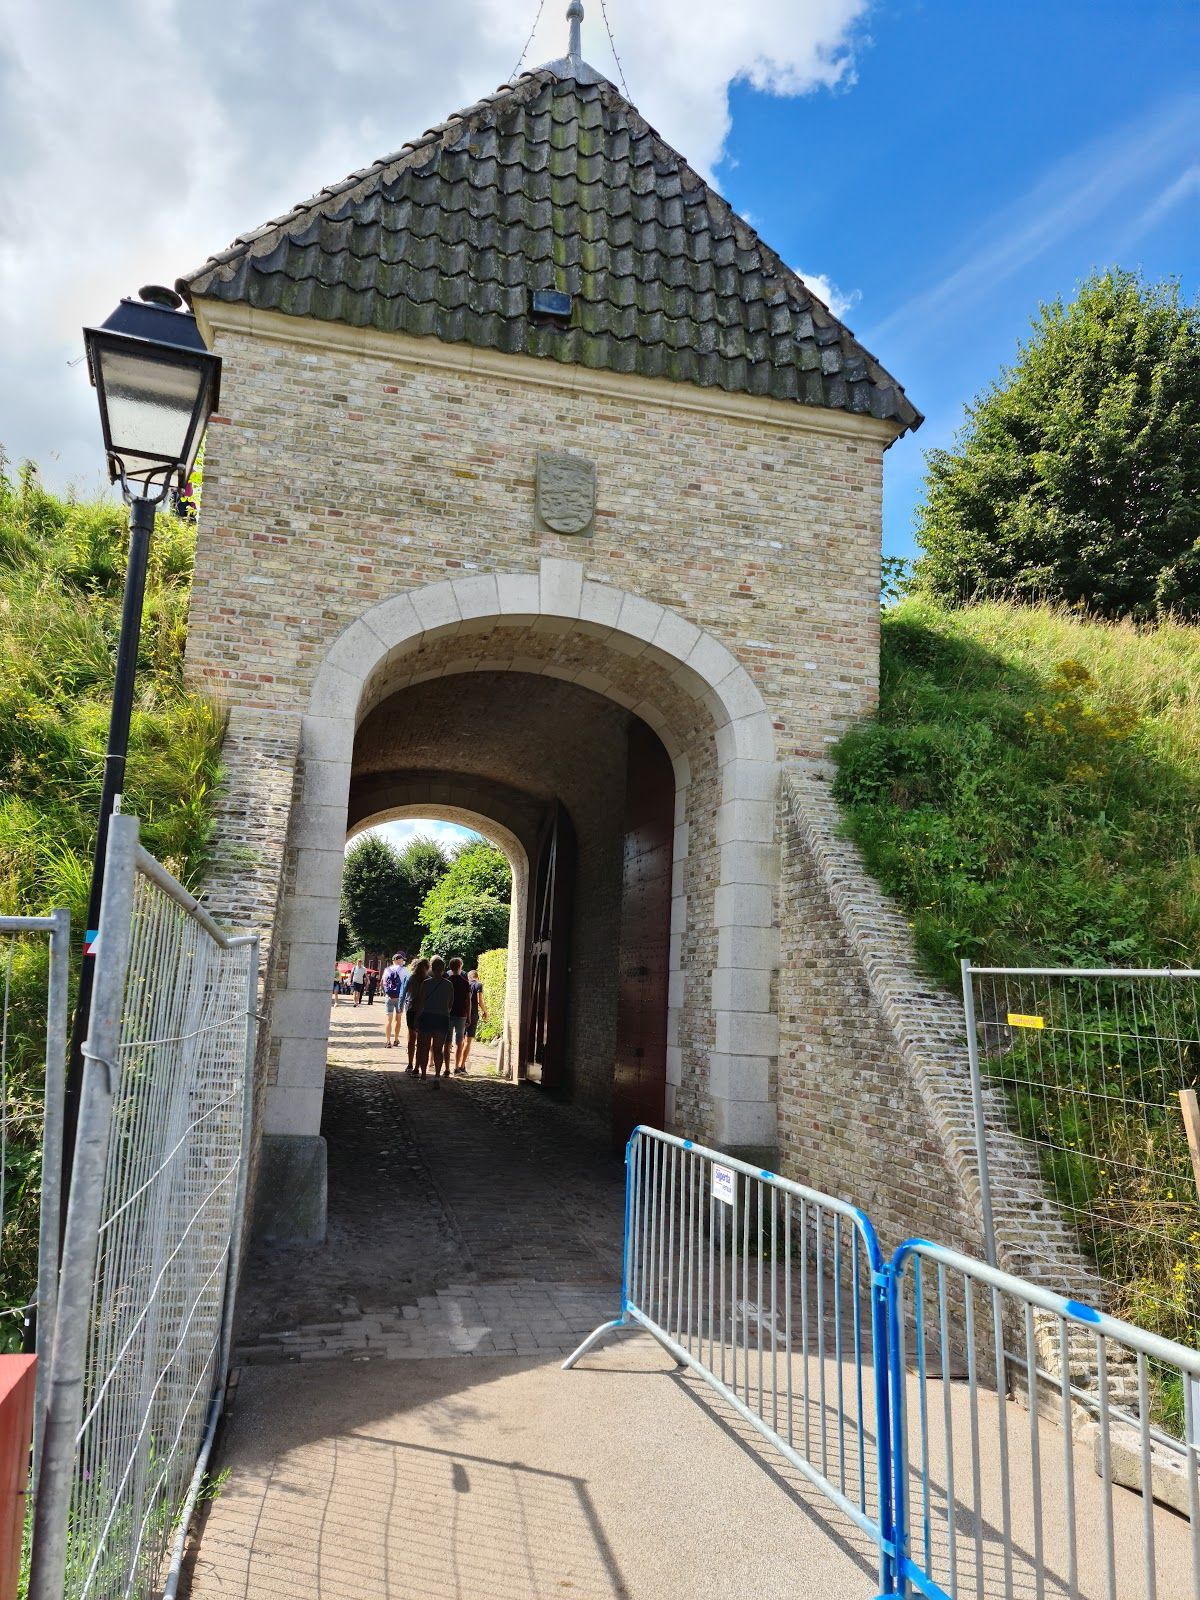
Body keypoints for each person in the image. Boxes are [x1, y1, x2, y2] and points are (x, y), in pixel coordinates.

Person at [416, 957, 455, 1084]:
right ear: (443, 969)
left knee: (424, 1047)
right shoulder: (449, 985)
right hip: (442, 1018)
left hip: (427, 1017)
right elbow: (450, 1005)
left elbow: (420, 1003)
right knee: (438, 1049)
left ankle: (423, 1076)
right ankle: (437, 1075)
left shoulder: (426, 983)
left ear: (432, 969)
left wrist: (417, 1020)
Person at [403, 958, 430, 1073]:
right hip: (424, 1011)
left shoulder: (411, 978)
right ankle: (417, 1066)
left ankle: (410, 1063)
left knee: (411, 1037)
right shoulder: (429, 980)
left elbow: (404, 992)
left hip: (411, 1009)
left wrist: (401, 1006)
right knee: (421, 1039)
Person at [459, 968, 488, 1073]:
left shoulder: (464, 984)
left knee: (461, 1040)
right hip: (473, 1014)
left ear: (469, 977)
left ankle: (457, 1064)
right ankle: (462, 1066)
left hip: (462, 1014)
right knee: (468, 1041)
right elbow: (479, 1000)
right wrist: (485, 1011)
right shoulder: (478, 985)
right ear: (477, 977)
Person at [447, 957, 472, 1074]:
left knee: (447, 1042)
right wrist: (469, 1016)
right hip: (461, 1014)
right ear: (460, 967)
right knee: (459, 1042)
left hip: (448, 1014)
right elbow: (468, 1001)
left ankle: (447, 1068)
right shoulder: (465, 982)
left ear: (450, 967)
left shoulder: (447, 981)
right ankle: (456, 1067)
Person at [381, 952, 408, 1048]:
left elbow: (383, 983)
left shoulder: (387, 970)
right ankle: (396, 1039)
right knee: (398, 1019)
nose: (403, 961)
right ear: (399, 960)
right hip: (400, 998)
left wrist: (386, 993)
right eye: (402, 959)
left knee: (389, 1020)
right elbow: (407, 983)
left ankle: (388, 1041)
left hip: (389, 997)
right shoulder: (404, 970)